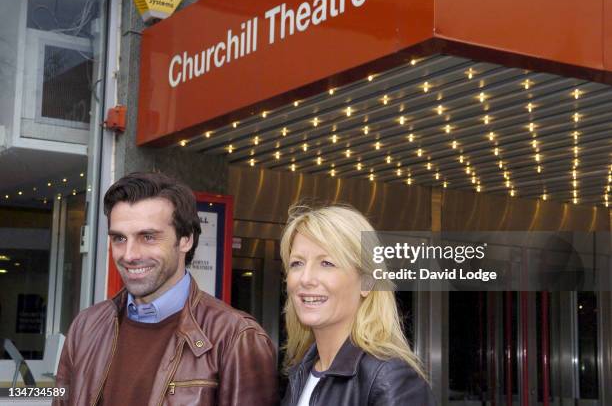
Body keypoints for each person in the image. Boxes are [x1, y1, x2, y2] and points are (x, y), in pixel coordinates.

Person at [53, 172, 278, 406]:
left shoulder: (235, 337)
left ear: (185, 240)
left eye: (148, 237)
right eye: (119, 238)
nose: (129, 255)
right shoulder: (86, 326)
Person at [280, 204, 435, 406]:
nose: (306, 278)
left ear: (367, 282)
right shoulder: (301, 372)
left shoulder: (390, 379)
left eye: (326, 263)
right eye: (297, 263)